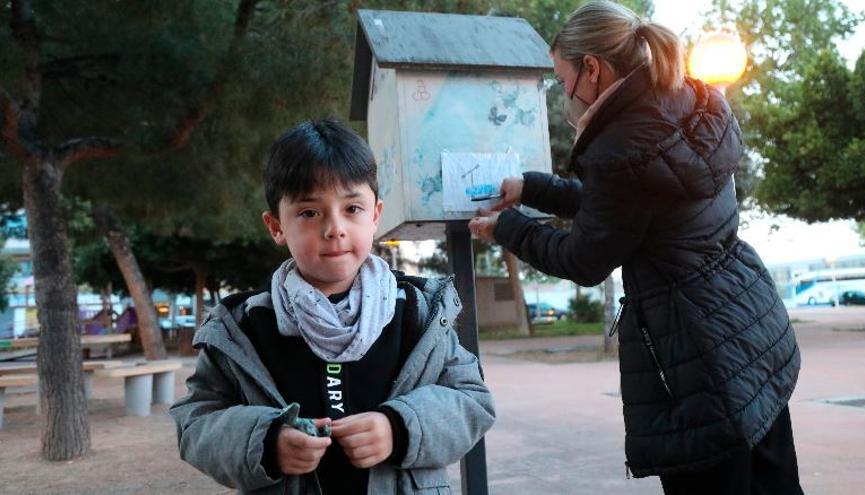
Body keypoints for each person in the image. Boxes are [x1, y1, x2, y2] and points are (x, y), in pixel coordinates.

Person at [469, 2, 802, 494]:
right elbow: (630, 214)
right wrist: (533, 188)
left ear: (593, 69)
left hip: (697, 354)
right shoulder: (687, 99)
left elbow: (586, 257)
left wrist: (507, 229)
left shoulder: (620, 149)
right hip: (751, 329)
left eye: (563, 82)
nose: (566, 97)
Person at [171, 118, 495, 495]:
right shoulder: (244, 326)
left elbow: (472, 401)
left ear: (375, 215)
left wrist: (399, 427)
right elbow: (195, 422)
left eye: (352, 208)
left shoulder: (417, 313)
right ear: (276, 226)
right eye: (310, 212)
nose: (335, 228)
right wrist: (265, 441)